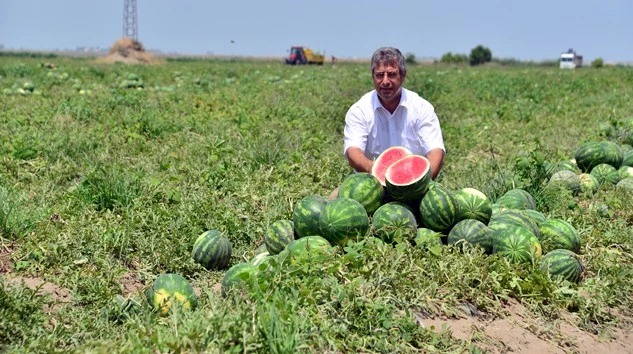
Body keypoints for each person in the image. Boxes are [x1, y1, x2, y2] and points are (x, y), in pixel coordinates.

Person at [331, 47, 445, 199]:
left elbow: (436, 152)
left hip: (413, 189)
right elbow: (353, 152)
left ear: (403, 75)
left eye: (391, 74)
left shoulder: (421, 108)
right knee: (333, 201)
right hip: (371, 185)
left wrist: (418, 185)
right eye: (379, 75)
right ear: (373, 77)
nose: (385, 81)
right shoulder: (359, 110)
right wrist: (381, 175)